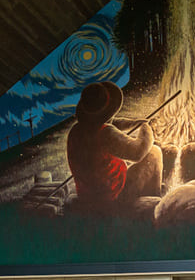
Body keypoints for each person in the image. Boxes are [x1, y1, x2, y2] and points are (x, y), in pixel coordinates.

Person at [66, 81, 162, 211]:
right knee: (154, 152)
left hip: (87, 195)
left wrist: (135, 123)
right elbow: (137, 153)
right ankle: (154, 199)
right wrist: (146, 129)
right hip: (113, 197)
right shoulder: (105, 133)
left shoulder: (76, 130)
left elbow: (113, 123)